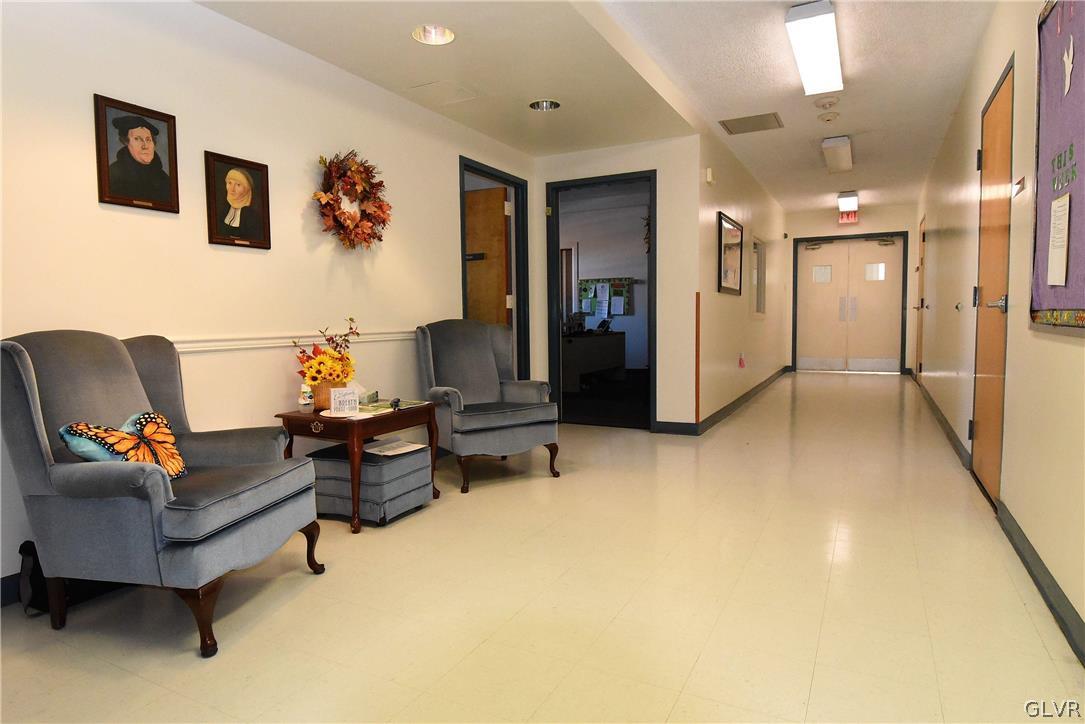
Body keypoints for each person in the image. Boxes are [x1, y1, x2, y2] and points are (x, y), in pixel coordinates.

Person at [108, 115, 171, 202]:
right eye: (138, 139)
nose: (145, 146)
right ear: (126, 142)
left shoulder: (164, 179)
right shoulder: (114, 174)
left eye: (148, 139)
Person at [218, 167, 261, 239]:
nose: (232, 189)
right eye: (229, 183)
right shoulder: (222, 210)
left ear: (246, 189)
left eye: (238, 185)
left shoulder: (252, 217)